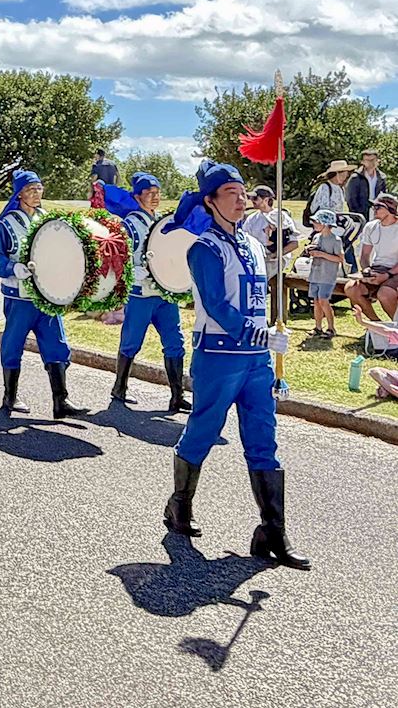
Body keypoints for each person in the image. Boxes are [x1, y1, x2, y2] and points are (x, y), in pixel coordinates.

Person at [162, 161, 310, 570]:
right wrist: (258, 334)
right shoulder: (204, 248)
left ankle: (273, 531)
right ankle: (179, 505)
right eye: (231, 193)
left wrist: (271, 331)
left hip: (257, 362)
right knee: (203, 432)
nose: (241, 199)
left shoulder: (254, 245)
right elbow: (217, 305)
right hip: (219, 357)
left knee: (264, 440)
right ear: (210, 201)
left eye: (243, 192)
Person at [0, 170, 87, 418]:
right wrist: (13, 268)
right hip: (19, 297)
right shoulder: (7, 223)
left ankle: (61, 401)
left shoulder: (48, 220)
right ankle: (10, 396)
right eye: (30, 189)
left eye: (39, 188)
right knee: (13, 345)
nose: (36, 193)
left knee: (56, 344)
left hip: (47, 296)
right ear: (19, 194)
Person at [104, 174, 190, 411]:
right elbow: (118, 259)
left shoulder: (163, 221)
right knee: (131, 342)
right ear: (137, 196)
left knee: (175, 342)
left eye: (157, 192)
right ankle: (119, 387)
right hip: (140, 295)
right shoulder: (129, 225)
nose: (155, 197)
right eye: (149, 193)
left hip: (164, 293)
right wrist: (135, 271)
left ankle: (177, 395)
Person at [242, 185, 299, 324]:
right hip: (257, 258)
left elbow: (294, 243)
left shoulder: (281, 217)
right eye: (251, 198)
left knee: (259, 279)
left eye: (256, 198)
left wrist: (275, 255)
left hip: (276, 259)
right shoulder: (252, 219)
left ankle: (264, 318)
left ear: (267, 200)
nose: (252, 201)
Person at [347, 192, 398, 321]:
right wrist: (366, 271)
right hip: (378, 269)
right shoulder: (371, 227)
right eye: (373, 206)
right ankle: (376, 325)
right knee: (351, 288)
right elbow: (364, 255)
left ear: (391, 209)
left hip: (395, 271)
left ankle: (395, 326)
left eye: (378, 207)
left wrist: (387, 275)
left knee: (385, 294)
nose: (374, 209)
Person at [303, 210, 344, 338]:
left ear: (325, 223)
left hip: (327, 276)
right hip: (315, 274)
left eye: (316, 221)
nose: (314, 224)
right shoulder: (316, 237)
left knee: (323, 300)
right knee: (316, 301)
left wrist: (321, 254)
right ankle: (318, 327)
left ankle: (331, 328)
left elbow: (340, 258)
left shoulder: (335, 240)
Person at [347, 149, 386, 219]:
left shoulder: (381, 177)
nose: (371, 163)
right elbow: (351, 200)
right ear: (362, 162)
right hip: (361, 215)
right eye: (367, 160)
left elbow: (383, 196)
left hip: (377, 213)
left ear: (378, 161)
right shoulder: (355, 178)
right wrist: (358, 215)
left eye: (373, 160)